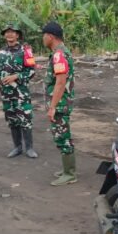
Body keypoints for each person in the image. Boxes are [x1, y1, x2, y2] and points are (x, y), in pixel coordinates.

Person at [0, 23, 38, 158]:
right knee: (12, 120)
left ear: (17, 35)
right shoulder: (0, 53)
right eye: (7, 32)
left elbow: (31, 71)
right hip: (6, 93)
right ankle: (17, 147)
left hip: (21, 93)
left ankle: (29, 148)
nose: (9, 34)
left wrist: (16, 76)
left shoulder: (25, 51)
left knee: (25, 119)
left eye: (12, 32)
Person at [42, 21, 77, 186]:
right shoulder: (60, 52)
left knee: (63, 137)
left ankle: (70, 174)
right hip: (62, 103)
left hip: (60, 105)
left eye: (44, 36)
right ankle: (67, 170)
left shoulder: (59, 55)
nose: (43, 39)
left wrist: (52, 107)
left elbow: (61, 82)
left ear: (50, 36)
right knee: (62, 136)